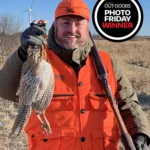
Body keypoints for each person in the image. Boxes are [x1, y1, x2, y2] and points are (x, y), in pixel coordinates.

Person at [0, 0, 150, 149]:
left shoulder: (107, 63)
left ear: (87, 27)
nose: (72, 29)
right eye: (66, 22)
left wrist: (140, 134)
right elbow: (5, 90)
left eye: (79, 23)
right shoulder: (38, 60)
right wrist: (24, 52)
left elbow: (128, 104)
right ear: (56, 25)